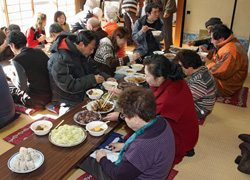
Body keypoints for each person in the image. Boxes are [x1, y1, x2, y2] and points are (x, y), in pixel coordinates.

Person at [105, 54, 199, 165]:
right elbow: (149, 99)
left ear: (159, 78)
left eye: (147, 75)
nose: (145, 78)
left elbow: (148, 120)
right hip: (184, 128)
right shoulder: (171, 78)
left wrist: (121, 118)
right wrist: (123, 94)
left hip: (180, 136)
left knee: (142, 154)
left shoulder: (169, 97)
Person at [79, 86, 175, 180]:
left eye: (124, 115)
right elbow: (152, 151)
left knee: (83, 158)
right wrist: (125, 145)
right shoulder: (161, 121)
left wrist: (102, 159)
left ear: (136, 118)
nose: (124, 118)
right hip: (155, 172)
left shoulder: (141, 147)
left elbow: (118, 176)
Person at [48, 30, 116, 115]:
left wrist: (107, 77)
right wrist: (92, 79)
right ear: (81, 44)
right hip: (67, 100)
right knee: (81, 121)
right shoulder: (59, 58)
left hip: (84, 93)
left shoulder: (82, 52)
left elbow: (94, 68)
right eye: (91, 49)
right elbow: (68, 85)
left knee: (110, 107)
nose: (92, 52)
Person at [6, 30, 52, 109]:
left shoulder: (17, 60)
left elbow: (22, 87)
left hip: (36, 100)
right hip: (51, 94)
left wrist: (11, 76)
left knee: (9, 91)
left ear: (12, 45)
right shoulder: (39, 51)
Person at [203, 24, 248, 97]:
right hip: (230, 82)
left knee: (197, 74)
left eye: (212, 39)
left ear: (221, 39)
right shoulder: (231, 43)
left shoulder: (229, 50)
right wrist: (208, 54)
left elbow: (221, 72)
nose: (211, 41)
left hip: (226, 87)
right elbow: (219, 60)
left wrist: (207, 62)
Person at [176, 50, 216, 119]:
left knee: (171, 106)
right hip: (199, 101)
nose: (181, 68)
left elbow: (185, 99)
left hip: (200, 109)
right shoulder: (203, 69)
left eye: (182, 66)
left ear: (191, 67)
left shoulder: (200, 81)